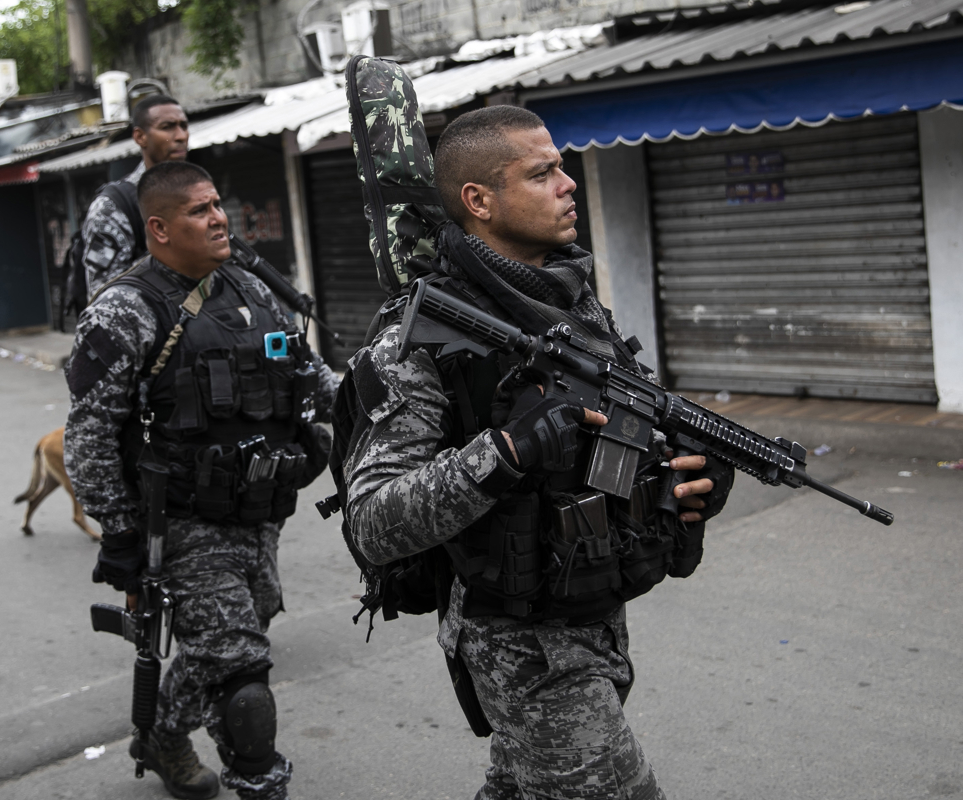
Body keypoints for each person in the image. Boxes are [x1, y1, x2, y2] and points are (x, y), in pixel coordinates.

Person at [344, 106, 735, 799]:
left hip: (592, 610)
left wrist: (682, 477)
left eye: (561, 166)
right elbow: (373, 521)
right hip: (517, 641)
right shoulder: (417, 336)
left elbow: (613, 440)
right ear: (479, 201)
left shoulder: (570, 301)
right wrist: (506, 450)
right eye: (542, 172)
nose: (568, 183)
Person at [64, 161, 338, 800]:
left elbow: (310, 378)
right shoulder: (125, 310)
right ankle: (258, 779)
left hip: (261, 508)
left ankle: (161, 734)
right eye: (199, 210)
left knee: (246, 628)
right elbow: (90, 434)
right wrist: (122, 535)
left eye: (218, 204)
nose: (219, 218)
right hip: (182, 523)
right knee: (242, 675)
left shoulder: (251, 290)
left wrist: (369, 395)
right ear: (157, 229)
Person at [80, 94, 190, 299]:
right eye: (168, 127)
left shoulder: (197, 195)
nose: (181, 136)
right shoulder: (113, 207)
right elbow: (103, 294)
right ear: (140, 137)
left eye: (184, 126)